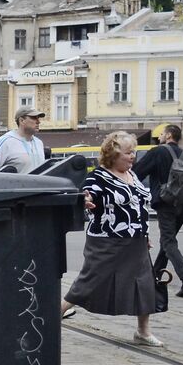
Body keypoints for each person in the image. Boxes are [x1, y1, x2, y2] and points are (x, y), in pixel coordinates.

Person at [61, 131, 161, 346]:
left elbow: (139, 207)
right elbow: (88, 193)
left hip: (135, 239)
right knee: (90, 279)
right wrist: (86, 200)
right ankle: (55, 313)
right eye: (127, 153)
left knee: (144, 284)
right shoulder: (99, 176)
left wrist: (145, 235)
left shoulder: (132, 175)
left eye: (133, 152)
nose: (132, 156)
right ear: (113, 154)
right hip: (107, 239)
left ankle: (143, 332)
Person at [133, 124, 183, 298]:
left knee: (168, 242)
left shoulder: (157, 152)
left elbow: (136, 174)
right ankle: (154, 275)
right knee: (168, 241)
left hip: (165, 203)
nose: (159, 137)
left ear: (170, 135)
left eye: (162, 134)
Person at [0, 108, 46, 173]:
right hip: (14, 183)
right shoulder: (5, 142)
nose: (38, 121)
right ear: (22, 120)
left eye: (38, 118)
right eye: (34, 118)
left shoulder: (39, 143)